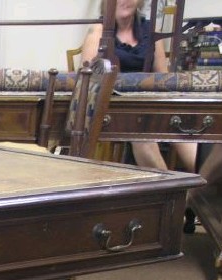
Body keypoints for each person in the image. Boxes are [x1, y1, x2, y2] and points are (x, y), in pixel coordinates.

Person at [81, 0, 197, 174]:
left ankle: (202, 189)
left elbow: (163, 78)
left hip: (150, 102)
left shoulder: (150, 31)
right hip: (116, 106)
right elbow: (88, 82)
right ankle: (172, 191)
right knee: (142, 135)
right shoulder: (98, 32)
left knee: (183, 128)